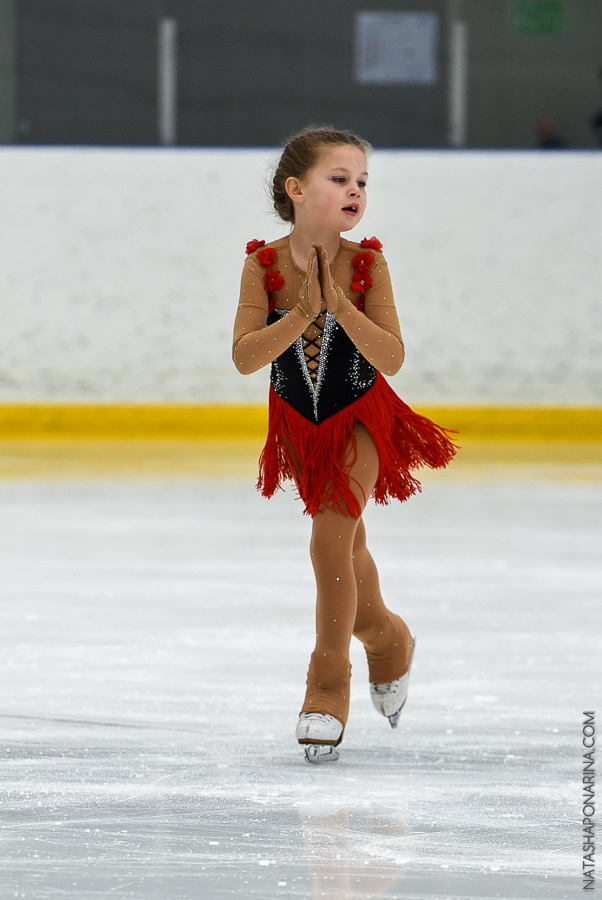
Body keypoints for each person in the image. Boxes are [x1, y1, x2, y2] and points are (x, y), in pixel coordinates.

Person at [232, 127, 457, 763]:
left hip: (360, 417)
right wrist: (301, 314)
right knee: (348, 550)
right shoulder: (263, 265)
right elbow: (246, 359)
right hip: (300, 426)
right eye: (340, 179)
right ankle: (386, 638)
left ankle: (326, 687)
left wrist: (339, 306)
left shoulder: (367, 264)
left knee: (329, 537)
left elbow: (392, 355)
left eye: (362, 181)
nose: (355, 190)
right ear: (296, 190)